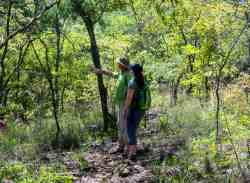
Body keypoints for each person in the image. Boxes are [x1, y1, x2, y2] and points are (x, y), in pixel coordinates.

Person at [92, 57, 132, 153]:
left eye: (119, 63)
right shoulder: (121, 74)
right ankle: (121, 145)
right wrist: (101, 71)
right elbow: (112, 74)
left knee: (124, 125)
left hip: (125, 104)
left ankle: (127, 147)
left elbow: (131, 92)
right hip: (120, 103)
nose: (117, 65)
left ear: (122, 65)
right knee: (119, 124)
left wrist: (127, 106)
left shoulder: (128, 75)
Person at [123, 64, 147, 160]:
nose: (130, 71)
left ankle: (132, 153)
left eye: (131, 70)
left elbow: (129, 98)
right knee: (134, 128)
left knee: (130, 130)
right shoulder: (144, 81)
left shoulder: (132, 82)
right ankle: (134, 150)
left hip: (133, 109)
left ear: (134, 71)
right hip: (141, 109)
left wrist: (125, 109)